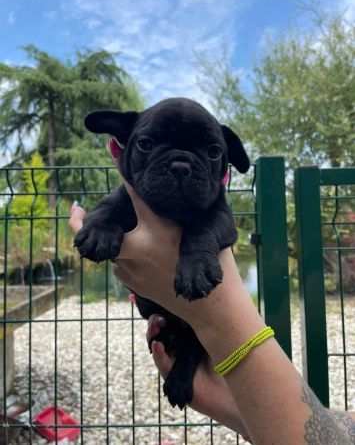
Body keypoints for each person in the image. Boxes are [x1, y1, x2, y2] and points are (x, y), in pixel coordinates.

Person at [69, 181, 355, 445]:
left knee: (186, 338)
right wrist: (101, 226)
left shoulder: (210, 201)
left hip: (192, 323)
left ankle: (189, 363)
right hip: (164, 315)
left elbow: (223, 228)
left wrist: (219, 315)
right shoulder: (130, 191)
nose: (179, 167)